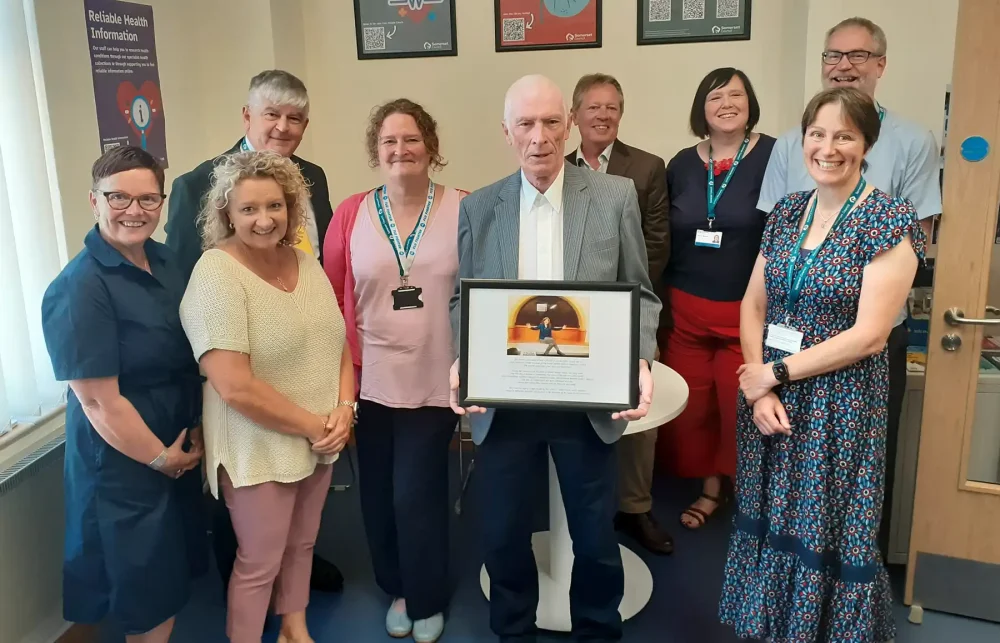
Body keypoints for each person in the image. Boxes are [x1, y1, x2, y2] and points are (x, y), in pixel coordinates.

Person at [449, 74, 660, 643]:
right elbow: (462, 300)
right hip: (506, 400)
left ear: (568, 125)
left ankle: (597, 631)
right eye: (526, 124)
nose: (539, 137)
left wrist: (639, 358)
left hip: (586, 399)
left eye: (549, 122)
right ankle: (513, 632)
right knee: (502, 535)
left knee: (594, 538)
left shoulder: (614, 197)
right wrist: (464, 356)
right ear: (507, 131)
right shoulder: (481, 208)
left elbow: (639, 292)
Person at [719, 87, 925, 642]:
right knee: (771, 512)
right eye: (817, 134)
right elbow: (753, 304)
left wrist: (774, 375)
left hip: (839, 406)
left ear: (866, 145)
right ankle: (773, 625)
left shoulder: (888, 221)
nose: (827, 148)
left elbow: (870, 336)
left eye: (844, 136)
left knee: (824, 527)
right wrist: (759, 387)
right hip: (770, 399)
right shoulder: (788, 212)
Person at [757, 17, 941, 561]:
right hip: (782, 348)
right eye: (833, 55)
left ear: (880, 64)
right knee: (781, 493)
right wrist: (765, 374)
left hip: (854, 360)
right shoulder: (788, 148)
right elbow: (769, 260)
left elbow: (915, 242)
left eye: (857, 55)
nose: (843, 65)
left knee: (844, 500)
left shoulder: (911, 145)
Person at [164, 69, 344, 595]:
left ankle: (296, 568)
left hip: (301, 355)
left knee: (301, 486)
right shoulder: (197, 184)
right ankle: (247, 585)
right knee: (246, 503)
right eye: (272, 114)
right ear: (247, 116)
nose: (283, 127)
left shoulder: (313, 178)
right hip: (239, 367)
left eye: (295, 118)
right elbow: (183, 289)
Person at [179, 150, 354, 643]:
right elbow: (234, 385)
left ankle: (294, 630)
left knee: (302, 545)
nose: (264, 219)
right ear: (227, 214)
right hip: (257, 443)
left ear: (291, 209)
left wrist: (345, 409)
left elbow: (337, 341)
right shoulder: (216, 274)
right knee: (259, 561)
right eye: (249, 209)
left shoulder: (305, 262)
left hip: (319, 437)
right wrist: (317, 426)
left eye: (274, 206)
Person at [40, 146, 208, 643]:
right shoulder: (79, 287)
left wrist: (194, 427)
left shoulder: (166, 261)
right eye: (119, 197)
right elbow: (97, 402)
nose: (134, 210)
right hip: (123, 457)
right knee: (145, 585)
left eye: (148, 199)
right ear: (94, 200)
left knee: (171, 570)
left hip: (174, 436)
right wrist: (160, 458)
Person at [323, 98, 464, 643]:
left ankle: (427, 596)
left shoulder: (465, 207)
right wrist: (340, 381)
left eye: (411, 139)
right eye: (389, 141)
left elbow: (482, 288)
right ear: (375, 150)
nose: (400, 149)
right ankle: (398, 588)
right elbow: (333, 295)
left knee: (415, 492)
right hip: (370, 379)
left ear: (431, 146)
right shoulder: (351, 213)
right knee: (378, 494)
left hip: (438, 376)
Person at [657, 68, 775, 531]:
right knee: (693, 411)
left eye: (736, 95)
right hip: (686, 311)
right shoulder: (682, 164)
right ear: (700, 109)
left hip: (744, 313)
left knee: (740, 410)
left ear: (750, 103)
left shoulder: (774, 155)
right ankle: (710, 489)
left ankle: (751, 499)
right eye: (715, 97)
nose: (726, 104)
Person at [567, 72, 672, 554]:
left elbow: (655, 247)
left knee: (634, 414)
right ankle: (574, 507)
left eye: (612, 107)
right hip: (572, 321)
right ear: (575, 116)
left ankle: (634, 507)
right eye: (593, 107)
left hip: (627, 312)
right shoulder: (556, 167)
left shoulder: (647, 168)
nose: (603, 115)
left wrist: (615, 307)